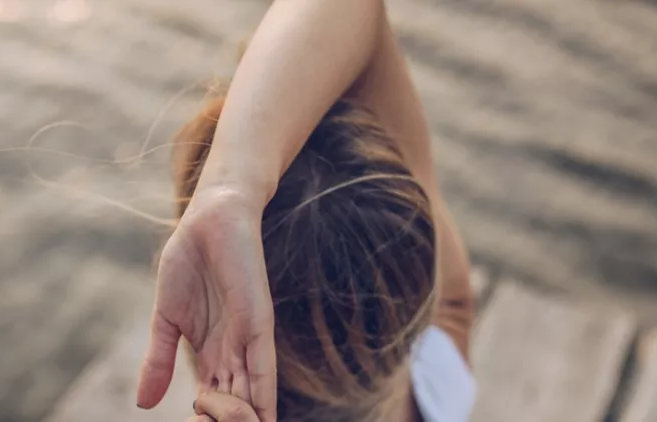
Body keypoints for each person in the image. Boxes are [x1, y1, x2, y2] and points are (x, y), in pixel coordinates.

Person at [135, 1, 475, 421]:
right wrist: (232, 187)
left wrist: (224, 192)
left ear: (193, 332)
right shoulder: (441, 393)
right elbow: (455, 303)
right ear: (419, 301)